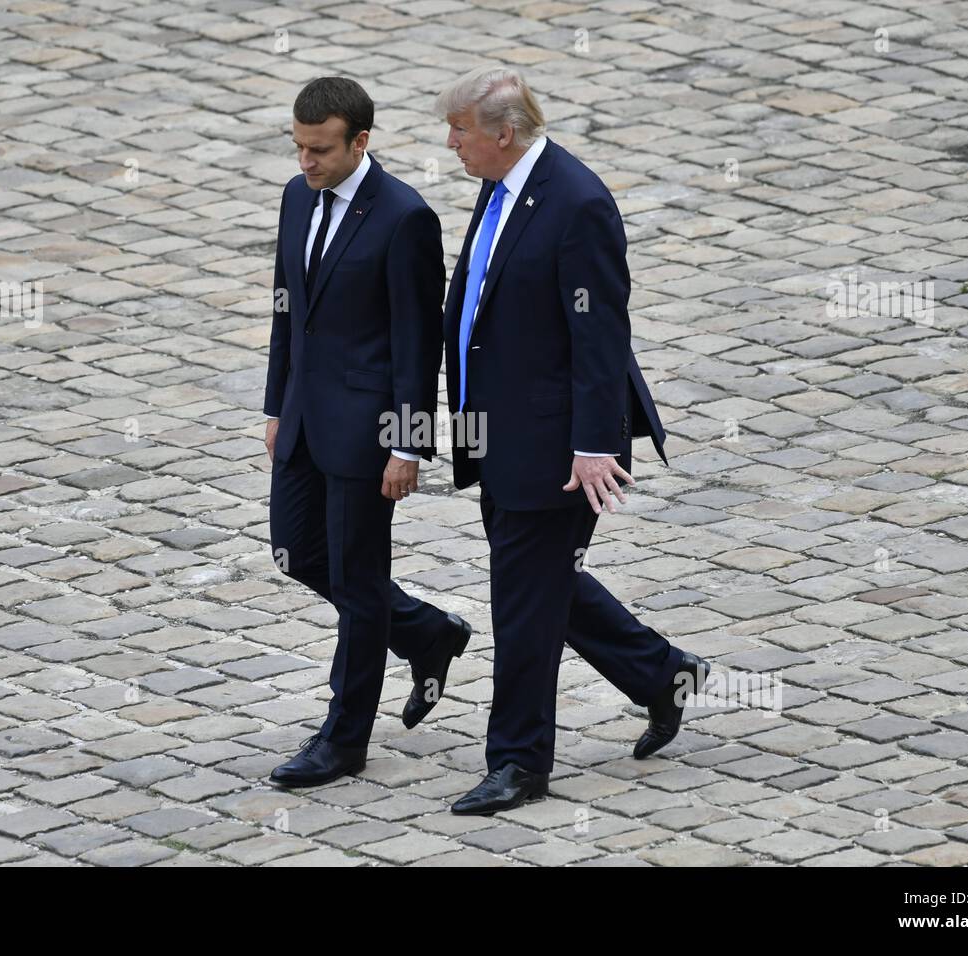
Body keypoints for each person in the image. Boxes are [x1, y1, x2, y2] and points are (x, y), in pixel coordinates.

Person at [434, 66, 710, 815]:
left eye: (458, 130)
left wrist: (594, 444)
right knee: (541, 581)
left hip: (558, 449)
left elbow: (600, 336)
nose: (449, 142)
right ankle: (663, 673)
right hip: (500, 435)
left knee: (521, 603)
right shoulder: (499, 184)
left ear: (502, 133)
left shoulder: (577, 202)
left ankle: (520, 762)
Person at [263, 77, 471, 788]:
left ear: (360, 141)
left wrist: (408, 442)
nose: (304, 163)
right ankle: (426, 632)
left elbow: (419, 344)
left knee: (357, 583)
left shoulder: (404, 218)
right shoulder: (297, 196)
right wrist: (273, 405)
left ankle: (343, 738)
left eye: (319, 150)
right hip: (300, 418)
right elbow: (287, 309)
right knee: (296, 554)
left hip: (367, 431)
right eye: (297, 147)